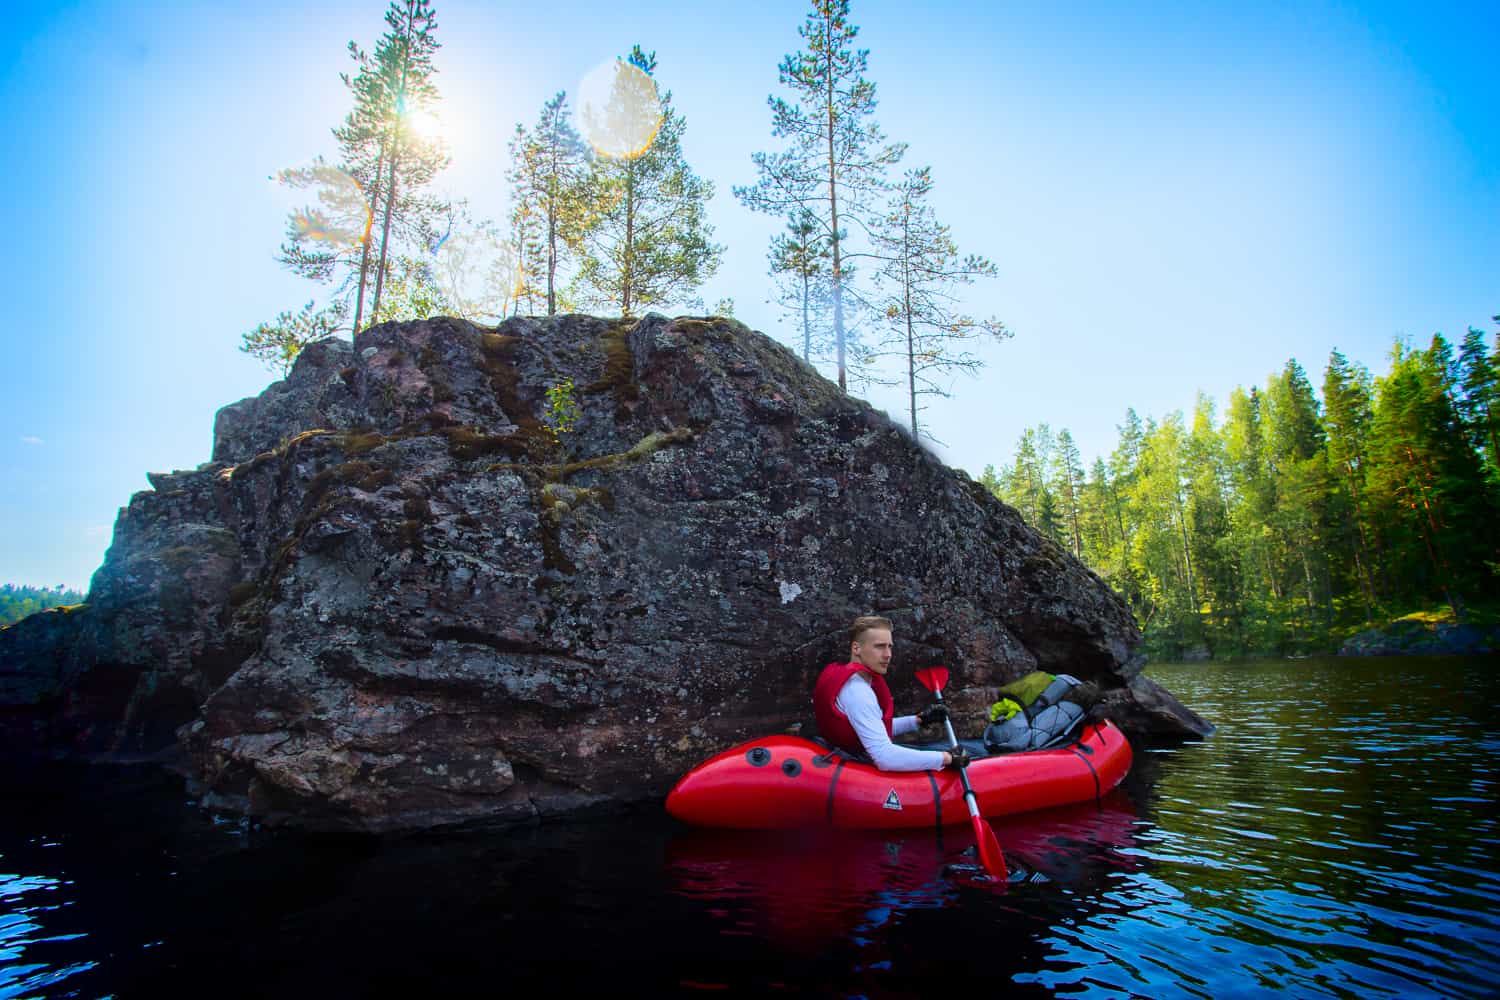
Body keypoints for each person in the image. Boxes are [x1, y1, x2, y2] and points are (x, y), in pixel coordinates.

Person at [813, 615, 971, 771]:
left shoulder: (847, 679)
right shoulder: (858, 692)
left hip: (843, 753)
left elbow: (870, 725)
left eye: (890, 646)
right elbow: (885, 757)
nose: (888, 654)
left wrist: (918, 720)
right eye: (880, 646)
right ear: (856, 648)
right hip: (854, 764)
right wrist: (947, 758)